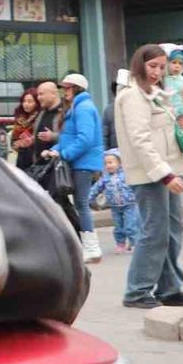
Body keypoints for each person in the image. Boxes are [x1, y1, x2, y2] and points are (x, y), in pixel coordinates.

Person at [117, 44, 183, 309]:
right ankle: (137, 291)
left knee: (172, 231)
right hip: (150, 174)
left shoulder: (156, 93)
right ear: (139, 64)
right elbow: (140, 141)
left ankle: (170, 288)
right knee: (154, 232)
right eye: (152, 66)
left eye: (162, 67)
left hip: (166, 170)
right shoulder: (133, 95)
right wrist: (165, 175)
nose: (157, 71)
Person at [41, 74, 105, 263]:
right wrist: (54, 149)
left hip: (83, 163)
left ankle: (92, 248)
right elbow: (68, 137)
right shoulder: (76, 107)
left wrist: (63, 154)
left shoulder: (83, 108)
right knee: (80, 204)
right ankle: (90, 247)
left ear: (77, 88)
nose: (64, 91)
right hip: (80, 162)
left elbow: (85, 139)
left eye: (68, 88)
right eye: (64, 88)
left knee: (82, 205)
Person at [88, 150, 138, 254]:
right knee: (118, 227)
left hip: (130, 204)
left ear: (120, 163)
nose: (108, 165)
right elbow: (96, 188)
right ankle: (120, 244)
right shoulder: (105, 178)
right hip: (115, 206)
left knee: (130, 226)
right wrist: (88, 199)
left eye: (111, 162)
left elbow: (135, 185)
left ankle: (134, 243)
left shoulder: (126, 175)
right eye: (106, 163)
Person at [161, 43, 183, 118]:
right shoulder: (161, 79)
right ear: (166, 63)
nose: (177, 66)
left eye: (180, 63)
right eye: (174, 62)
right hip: (167, 115)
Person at [9, 88, 39, 166]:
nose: (26, 104)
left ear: (37, 103)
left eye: (30, 101)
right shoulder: (20, 118)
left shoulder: (39, 118)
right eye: (24, 101)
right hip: (21, 157)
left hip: (36, 158)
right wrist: (17, 143)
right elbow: (14, 140)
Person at [101, 69, 128, 154]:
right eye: (119, 88)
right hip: (114, 155)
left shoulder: (139, 108)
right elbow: (104, 136)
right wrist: (106, 154)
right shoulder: (109, 110)